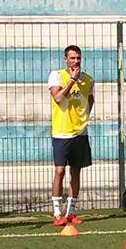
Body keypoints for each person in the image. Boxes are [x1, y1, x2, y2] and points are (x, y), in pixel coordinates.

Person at [48, 45, 95, 226]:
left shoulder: (88, 80)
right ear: (65, 59)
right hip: (61, 131)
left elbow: (90, 99)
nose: (75, 61)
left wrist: (84, 117)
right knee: (59, 170)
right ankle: (57, 212)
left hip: (80, 133)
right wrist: (72, 82)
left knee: (76, 171)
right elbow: (58, 98)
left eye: (78, 58)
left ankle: (71, 212)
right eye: (72, 58)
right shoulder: (57, 76)